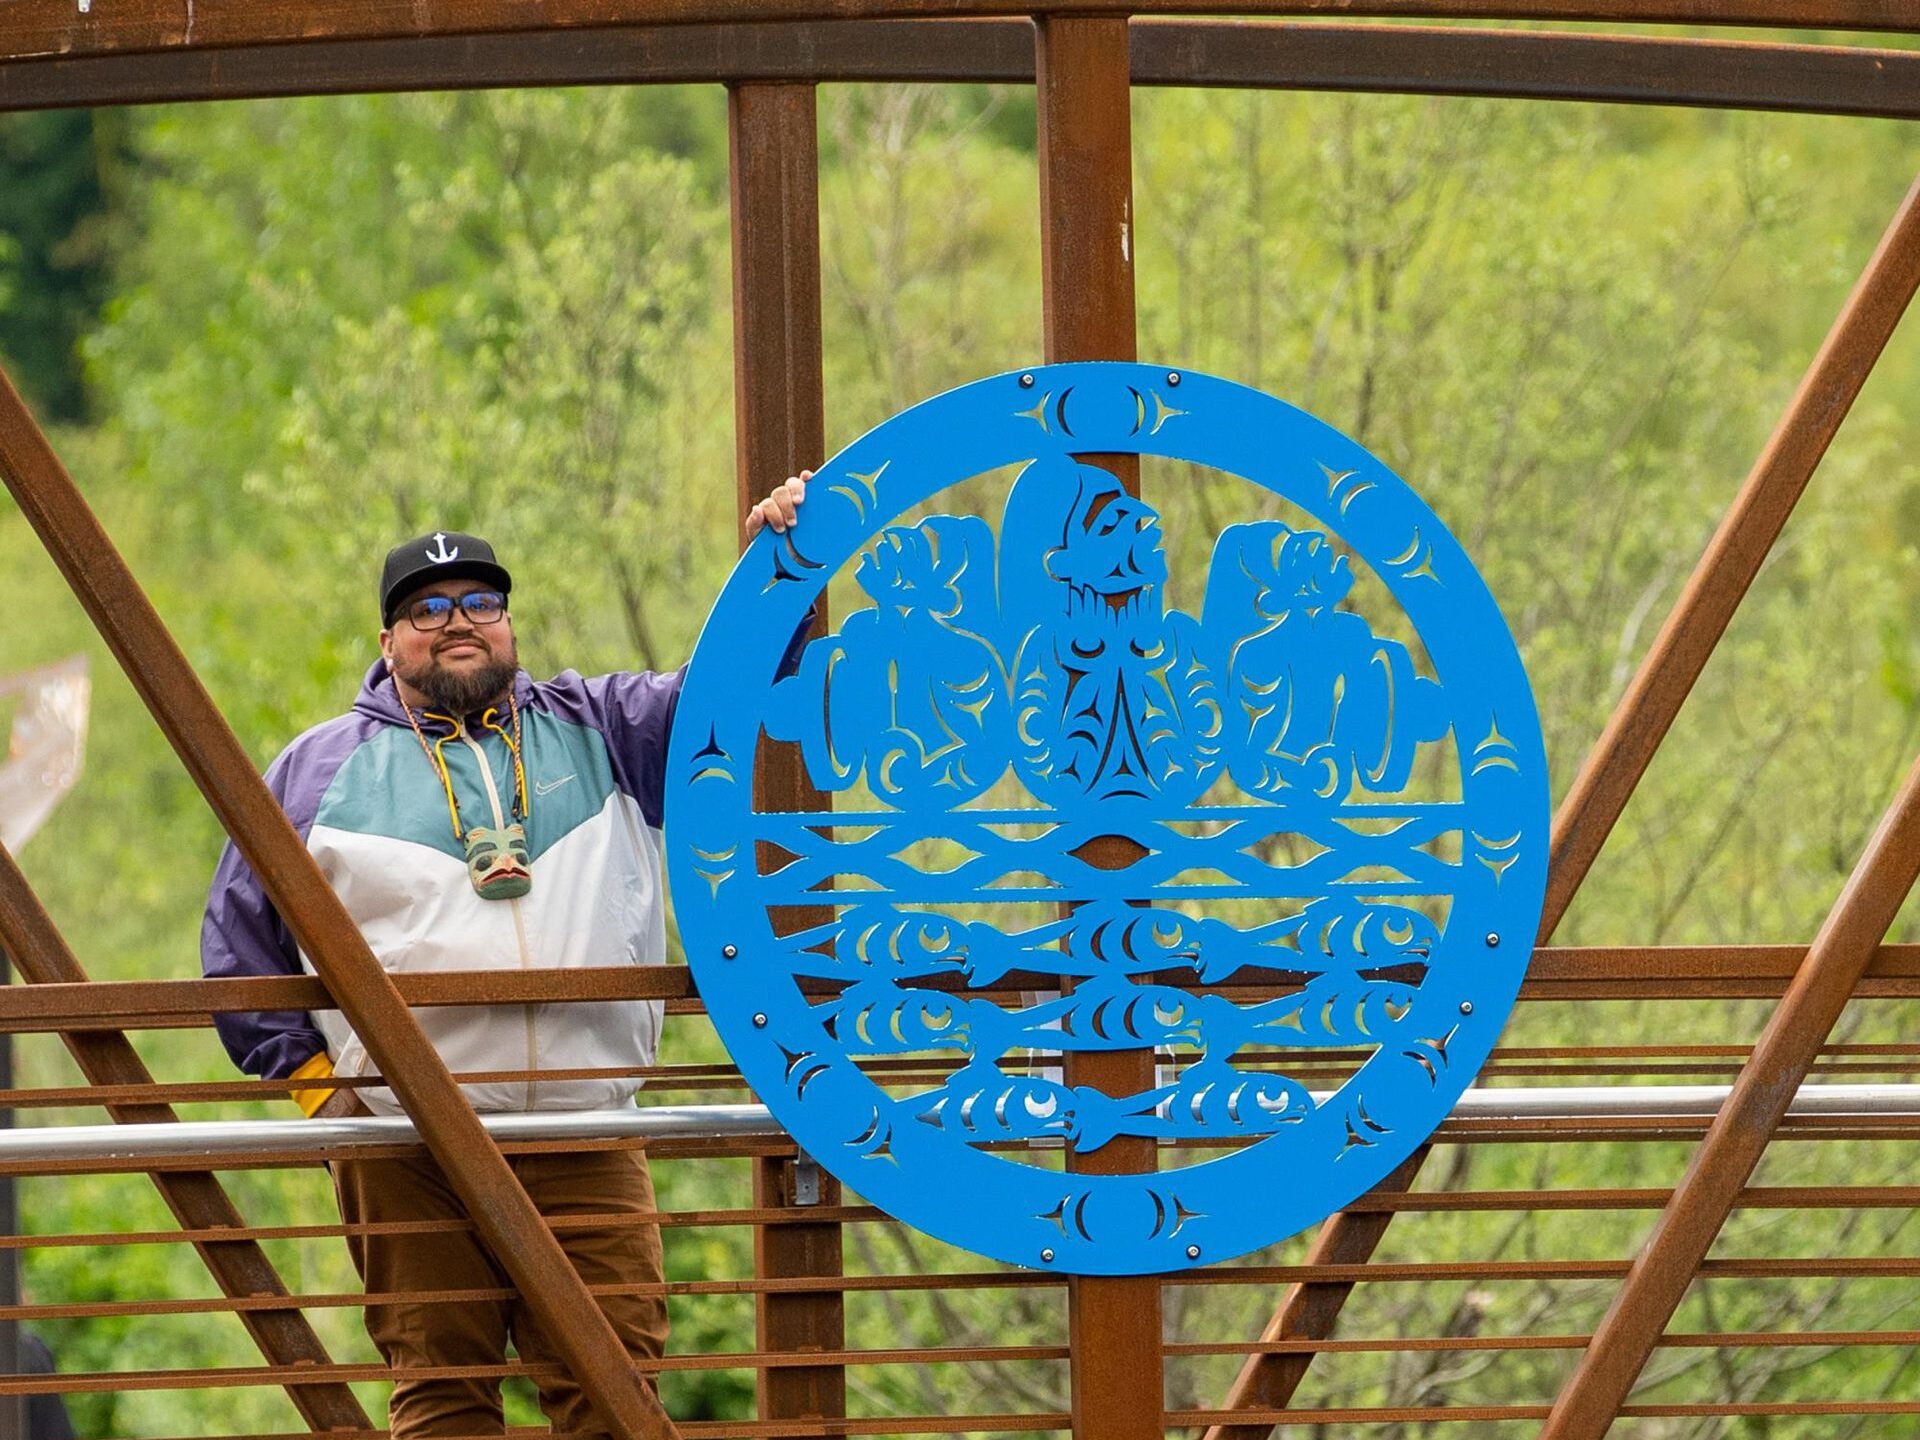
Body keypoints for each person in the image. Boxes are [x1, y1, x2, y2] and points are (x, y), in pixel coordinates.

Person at [201, 475, 810, 1439]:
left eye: (480, 602)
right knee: (444, 1394)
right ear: (388, 641)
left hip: (587, 1128)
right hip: (410, 1145)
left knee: (616, 1392)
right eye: (426, 609)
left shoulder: (606, 725)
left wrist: (775, 562)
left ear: (508, 623)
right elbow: (238, 943)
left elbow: (727, 695)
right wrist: (331, 1097)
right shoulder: (317, 769)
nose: (458, 621)